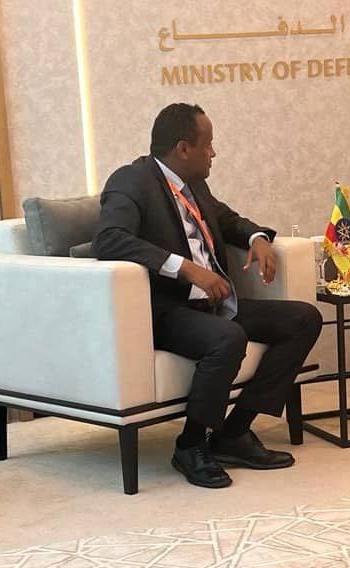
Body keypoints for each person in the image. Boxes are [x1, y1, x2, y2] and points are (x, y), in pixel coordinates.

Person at [94, 103, 322, 488]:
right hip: (165, 310)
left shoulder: (193, 184)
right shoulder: (131, 181)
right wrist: (185, 268)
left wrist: (258, 238)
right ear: (183, 148)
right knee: (228, 337)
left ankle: (234, 433)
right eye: (208, 144)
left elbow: (227, 219)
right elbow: (110, 239)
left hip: (212, 305)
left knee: (304, 318)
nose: (213, 153)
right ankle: (190, 445)